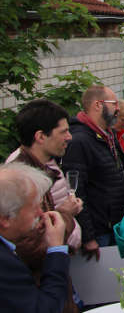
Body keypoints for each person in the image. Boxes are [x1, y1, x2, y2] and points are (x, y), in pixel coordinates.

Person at [7, 100, 82, 272]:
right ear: (40, 136)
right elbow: (31, 246)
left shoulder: (40, 168)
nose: (69, 137)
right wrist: (66, 214)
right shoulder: (21, 179)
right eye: (63, 132)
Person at [62, 86, 124, 258]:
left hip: (115, 224)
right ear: (98, 105)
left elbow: (118, 170)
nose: (118, 108)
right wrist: (88, 236)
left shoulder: (108, 134)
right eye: (114, 103)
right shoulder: (79, 141)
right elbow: (77, 190)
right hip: (99, 230)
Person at [0, 162, 70, 313]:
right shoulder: (4, 264)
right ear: (5, 219)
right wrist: (56, 250)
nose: (40, 213)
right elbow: (45, 309)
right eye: (34, 207)